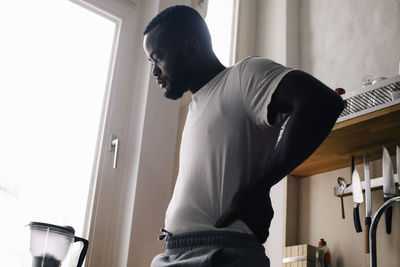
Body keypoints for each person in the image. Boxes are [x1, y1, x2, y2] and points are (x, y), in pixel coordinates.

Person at [143, 5, 344, 267]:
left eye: (157, 58)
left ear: (191, 48)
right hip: (174, 254)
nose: (154, 71)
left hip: (219, 255)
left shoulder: (243, 76)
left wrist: (261, 186)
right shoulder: (196, 106)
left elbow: (322, 102)